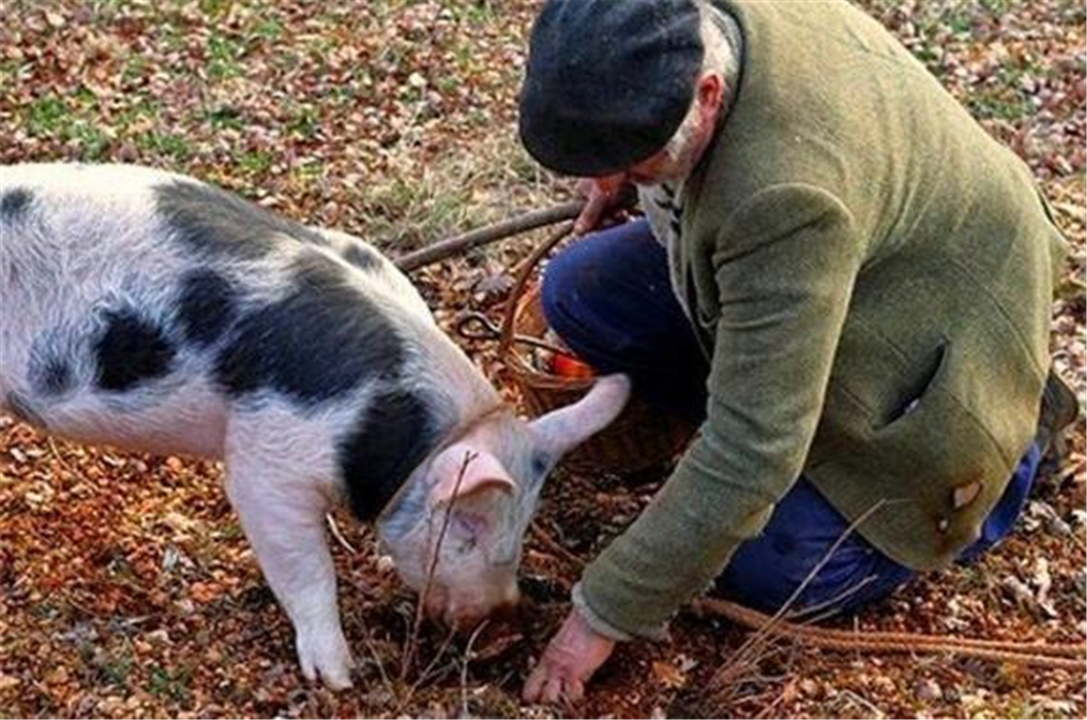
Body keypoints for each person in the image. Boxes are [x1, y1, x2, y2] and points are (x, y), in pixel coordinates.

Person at [515, 0, 1078, 704]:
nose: (624, 175)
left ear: (707, 95)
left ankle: (1013, 441)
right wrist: (615, 162)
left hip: (950, 318)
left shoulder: (783, 196)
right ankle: (768, 382)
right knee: (577, 288)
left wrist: (603, 612)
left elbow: (756, 446)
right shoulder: (694, 27)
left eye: (637, 158)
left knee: (769, 568)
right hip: (864, 250)